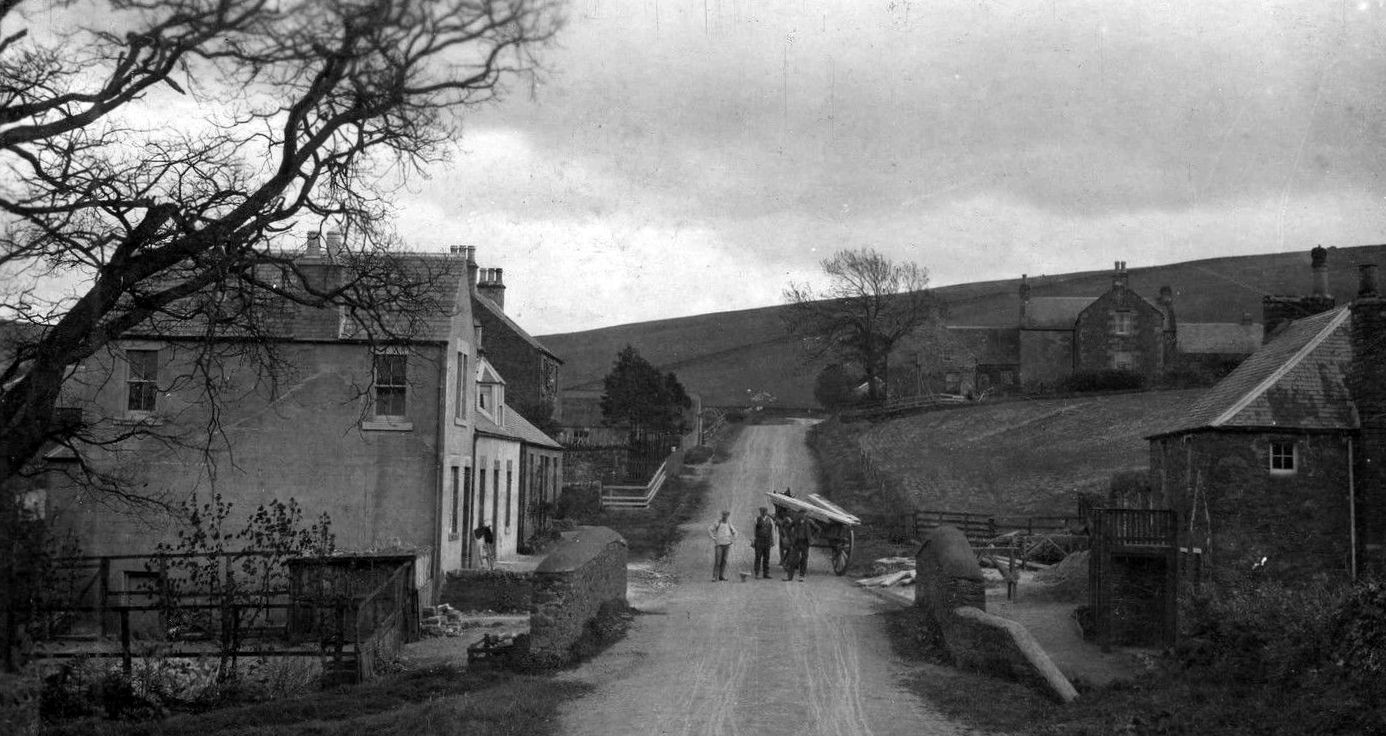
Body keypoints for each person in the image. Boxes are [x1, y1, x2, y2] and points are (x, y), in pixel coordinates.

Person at [707, 510, 737, 581]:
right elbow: (709, 529)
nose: (724, 516)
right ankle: (714, 576)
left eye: (726, 515)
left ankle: (721, 576)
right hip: (719, 545)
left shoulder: (729, 523)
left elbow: (735, 532)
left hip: (727, 545)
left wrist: (733, 539)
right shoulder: (718, 522)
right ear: (722, 515)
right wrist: (713, 537)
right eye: (723, 515)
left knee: (724, 561)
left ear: (728, 516)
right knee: (718, 561)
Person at [784, 509, 813, 582]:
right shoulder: (795, 521)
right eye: (800, 514)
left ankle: (801, 576)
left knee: (804, 559)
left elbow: (818, 529)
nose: (802, 515)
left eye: (803, 514)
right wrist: (790, 538)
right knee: (793, 560)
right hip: (796, 543)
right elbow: (788, 527)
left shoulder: (809, 521)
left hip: (805, 543)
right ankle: (790, 577)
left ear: (805, 515)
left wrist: (812, 538)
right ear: (798, 514)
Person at [751, 506, 776, 579]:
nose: (763, 512)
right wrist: (753, 541)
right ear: (760, 512)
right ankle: (757, 573)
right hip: (759, 540)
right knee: (758, 557)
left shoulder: (770, 520)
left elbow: (773, 531)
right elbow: (753, 531)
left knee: (766, 557)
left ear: (766, 512)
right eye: (762, 511)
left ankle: (766, 573)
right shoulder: (756, 519)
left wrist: (773, 541)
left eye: (765, 511)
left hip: (767, 541)